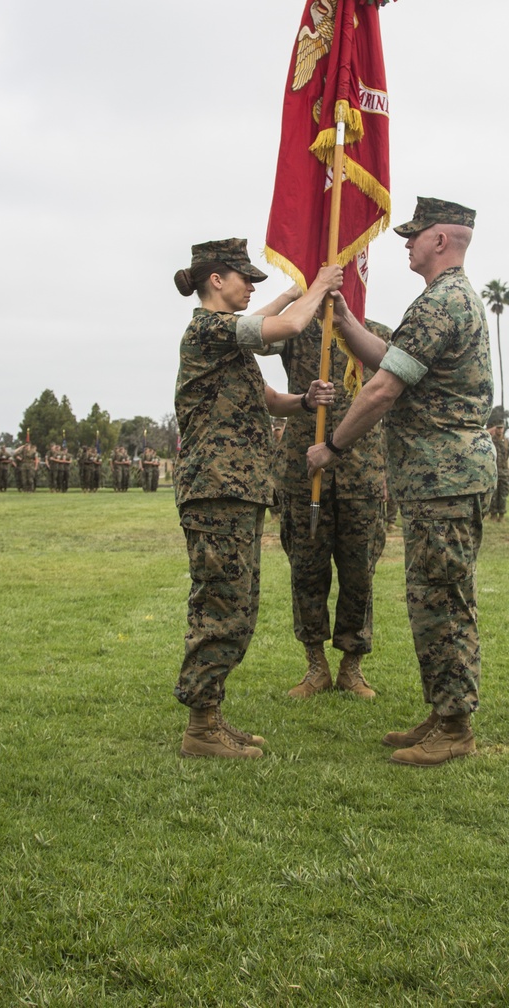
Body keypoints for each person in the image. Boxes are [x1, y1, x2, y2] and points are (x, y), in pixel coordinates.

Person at [307, 197, 496, 767]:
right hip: (440, 477)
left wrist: (332, 446)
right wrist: (345, 325)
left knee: (442, 600)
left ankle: (456, 725)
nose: (407, 244)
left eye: (414, 236)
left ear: (441, 240)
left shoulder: (441, 301)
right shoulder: (451, 298)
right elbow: (396, 360)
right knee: (434, 597)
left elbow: (384, 388)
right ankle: (443, 712)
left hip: (443, 477)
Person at [172, 237, 343, 761]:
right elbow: (286, 327)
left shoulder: (231, 341)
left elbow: (266, 397)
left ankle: (213, 718)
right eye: (244, 277)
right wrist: (316, 288)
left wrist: (302, 400)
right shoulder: (208, 329)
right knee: (221, 604)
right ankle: (201, 728)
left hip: (238, 491)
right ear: (216, 279)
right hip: (216, 489)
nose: (251, 287)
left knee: (238, 605)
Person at [276, 316, 391, 700]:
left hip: (363, 472)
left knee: (360, 574)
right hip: (305, 471)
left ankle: (351, 667)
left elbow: (392, 399)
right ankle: (315, 666)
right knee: (307, 572)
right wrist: (296, 295)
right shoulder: (294, 331)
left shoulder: (379, 337)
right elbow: (255, 336)